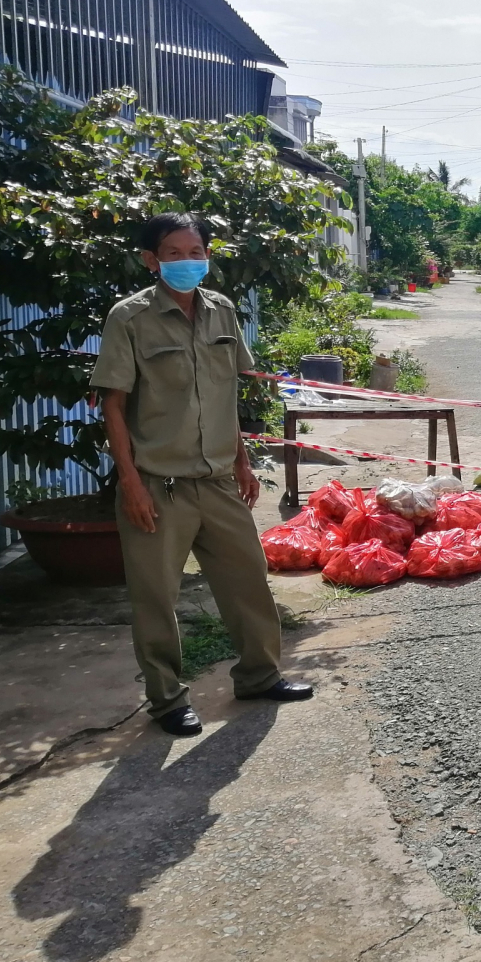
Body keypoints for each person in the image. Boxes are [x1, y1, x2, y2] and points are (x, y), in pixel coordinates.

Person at [91, 213, 313, 738]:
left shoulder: (222, 311)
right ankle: (166, 699)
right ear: (151, 260)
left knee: (248, 581)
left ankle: (259, 675)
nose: (187, 261)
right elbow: (114, 407)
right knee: (155, 598)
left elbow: (223, 394)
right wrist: (130, 483)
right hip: (158, 485)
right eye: (173, 252)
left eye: (196, 251)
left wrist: (241, 460)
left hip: (218, 479)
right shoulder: (130, 318)